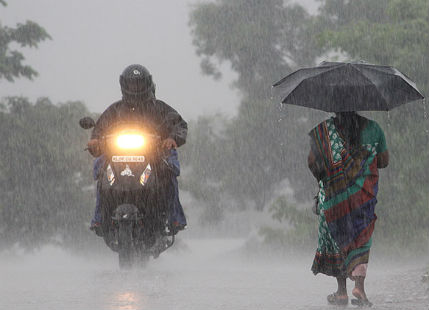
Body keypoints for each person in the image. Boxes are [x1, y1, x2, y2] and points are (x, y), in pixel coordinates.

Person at [87, 64, 187, 234]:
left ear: (147, 84)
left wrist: (172, 138)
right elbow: (99, 129)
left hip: (153, 155)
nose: (135, 88)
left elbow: (179, 124)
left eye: (139, 84)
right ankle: (99, 219)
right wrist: (95, 141)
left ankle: (175, 217)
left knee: (169, 170)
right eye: (132, 84)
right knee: (101, 171)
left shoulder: (160, 108)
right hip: (117, 155)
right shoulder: (114, 110)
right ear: (124, 85)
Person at [308, 111, 388, 307]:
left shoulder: (324, 132)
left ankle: (342, 292)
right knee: (361, 238)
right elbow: (384, 161)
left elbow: (313, 163)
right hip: (363, 196)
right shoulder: (374, 128)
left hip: (336, 197)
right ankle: (359, 288)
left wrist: (330, 168)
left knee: (339, 237)